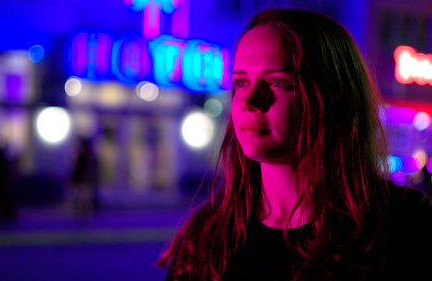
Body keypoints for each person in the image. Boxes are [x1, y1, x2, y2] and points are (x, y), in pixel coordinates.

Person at [157, 8, 432, 281]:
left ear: (331, 97)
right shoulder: (207, 240)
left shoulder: (402, 225)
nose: (250, 101)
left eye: (278, 82)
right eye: (241, 82)